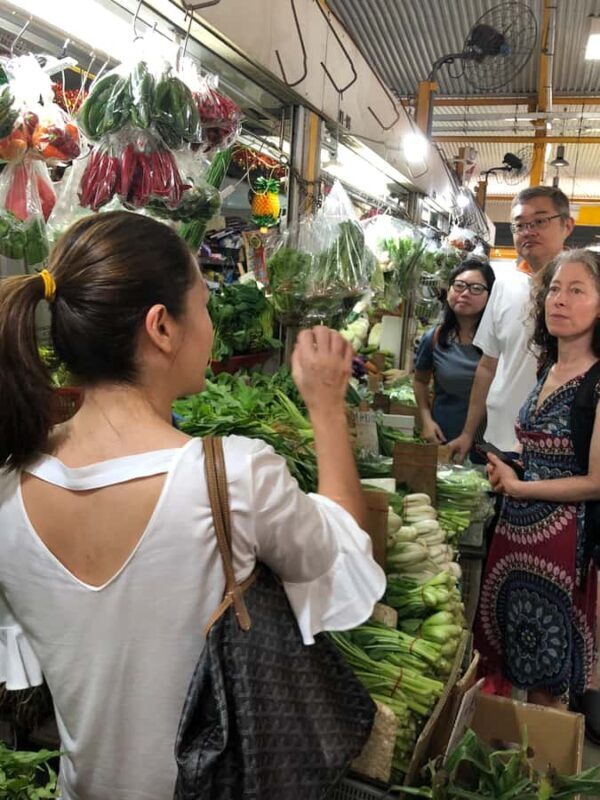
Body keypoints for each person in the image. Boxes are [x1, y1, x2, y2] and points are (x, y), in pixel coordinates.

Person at [0, 211, 385, 799]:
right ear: (161, 326)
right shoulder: (232, 478)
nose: (210, 325)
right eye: (203, 305)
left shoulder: (9, 488)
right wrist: (327, 408)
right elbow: (347, 555)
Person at [474, 249, 600, 707]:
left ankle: (540, 750)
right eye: (554, 289)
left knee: (546, 675)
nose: (559, 300)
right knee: (507, 658)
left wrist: (521, 486)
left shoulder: (597, 381)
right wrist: (511, 467)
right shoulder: (548, 368)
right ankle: (505, 743)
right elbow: (545, 452)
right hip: (515, 535)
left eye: (577, 290)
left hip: (561, 547)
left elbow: (595, 481)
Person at [448, 186, 574, 462]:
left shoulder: (585, 289)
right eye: (519, 225)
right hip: (499, 436)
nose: (528, 231)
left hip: (557, 445)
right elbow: (488, 365)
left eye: (540, 221)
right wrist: (468, 433)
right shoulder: (505, 285)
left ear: (567, 225)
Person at [413, 258, 495, 452]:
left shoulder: (497, 343)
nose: (464, 293)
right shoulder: (434, 338)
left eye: (476, 288)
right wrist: (426, 420)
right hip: (444, 439)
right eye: (459, 286)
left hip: (488, 447)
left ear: (491, 296)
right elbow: (420, 381)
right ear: (448, 290)